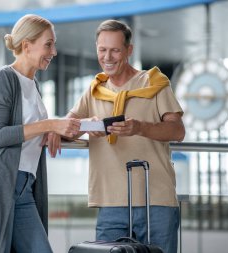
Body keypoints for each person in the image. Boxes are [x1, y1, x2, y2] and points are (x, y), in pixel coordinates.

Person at [66, 20, 185, 253]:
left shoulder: (155, 83)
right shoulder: (94, 90)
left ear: (129, 50)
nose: (107, 57)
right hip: (110, 203)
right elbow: (67, 126)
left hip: (156, 200)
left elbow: (177, 130)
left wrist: (140, 127)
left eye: (115, 50)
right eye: (102, 49)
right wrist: (85, 124)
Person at [0, 14, 80, 253]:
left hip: (24, 188)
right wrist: (49, 125)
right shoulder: (3, 79)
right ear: (27, 45)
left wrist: (56, 130)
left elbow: (31, 130)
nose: (54, 51)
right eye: (48, 44)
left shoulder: (34, 85)